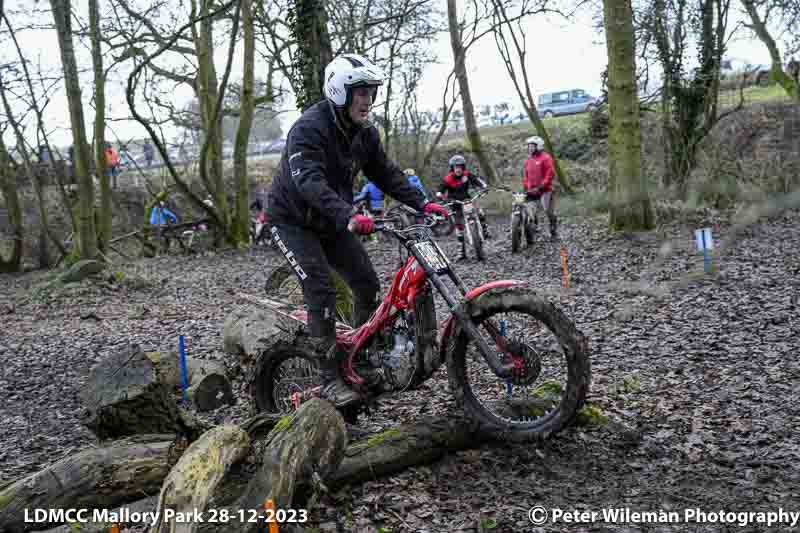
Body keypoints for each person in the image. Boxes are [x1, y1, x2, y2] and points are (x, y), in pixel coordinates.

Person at [266, 53, 449, 407]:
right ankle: (329, 378)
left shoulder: (365, 134)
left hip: (331, 219)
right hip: (291, 221)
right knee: (320, 287)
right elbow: (309, 183)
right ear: (339, 92)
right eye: (360, 92)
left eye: (371, 92)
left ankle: (361, 358)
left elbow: (385, 172)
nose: (367, 99)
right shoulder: (308, 129)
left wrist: (421, 202)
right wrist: (349, 214)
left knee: (366, 282)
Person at [435, 154, 491, 259]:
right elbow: (440, 189)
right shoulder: (448, 179)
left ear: (463, 167)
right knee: (459, 226)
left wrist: (484, 186)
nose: (458, 169)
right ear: (452, 168)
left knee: (480, 212)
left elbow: (477, 181)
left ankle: (484, 229)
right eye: (456, 167)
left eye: (460, 167)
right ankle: (461, 251)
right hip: (455, 203)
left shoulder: (467, 175)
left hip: (467, 199)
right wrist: (440, 195)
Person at [522, 135, 558, 241]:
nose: (530, 148)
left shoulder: (546, 157)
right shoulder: (528, 160)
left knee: (547, 210)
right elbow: (526, 175)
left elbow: (550, 173)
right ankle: (535, 227)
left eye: (532, 146)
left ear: (539, 146)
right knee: (529, 210)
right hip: (531, 190)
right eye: (528, 146)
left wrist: (542, 185)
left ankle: (553, 226)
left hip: (545, 189)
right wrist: (527, 186)